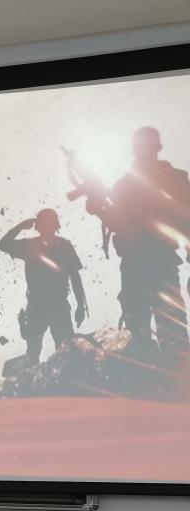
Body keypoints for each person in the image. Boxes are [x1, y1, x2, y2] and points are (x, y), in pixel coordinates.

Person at [92, 127, 190, 361]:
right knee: (139, 333)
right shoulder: (125, 185)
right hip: (139, 263)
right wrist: (99, 209)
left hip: (157, 261)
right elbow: (118, 222)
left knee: (171, 334)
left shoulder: (174, 180)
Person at [0, 209, 88, 363]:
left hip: (54, 305)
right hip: (39, 305)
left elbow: (75, 277)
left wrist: (81, 305)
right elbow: (3, 245)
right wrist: (20, 226)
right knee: (35, 352)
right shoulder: (32, 245)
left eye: (48, 223)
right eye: (44, 223)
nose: (47, 227)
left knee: (65, 350)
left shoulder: (61, 246)